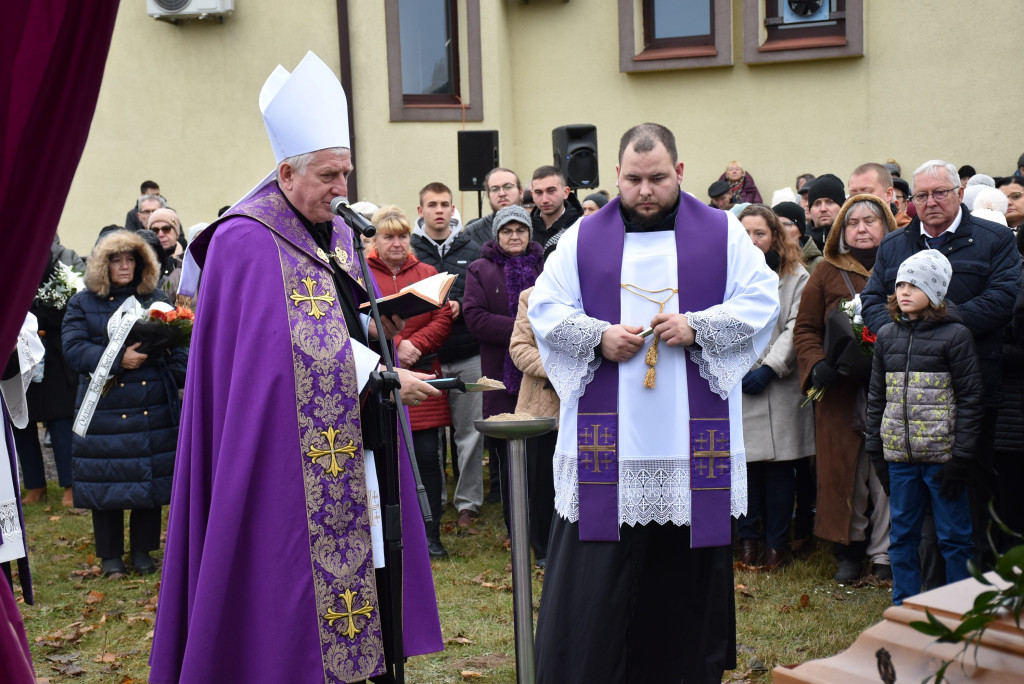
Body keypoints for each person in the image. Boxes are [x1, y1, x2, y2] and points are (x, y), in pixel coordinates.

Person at [149, 52, 442, 683]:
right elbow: (271, 352)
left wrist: (374, 326)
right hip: (278, 449)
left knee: (370, 560)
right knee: (282, 576)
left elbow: (329, 322)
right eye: (329, 175)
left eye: (346, 172)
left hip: (350, 435)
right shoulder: (243, 238)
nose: (342, 189)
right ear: (286, 171)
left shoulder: (333, 231)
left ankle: (363, 665)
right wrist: (380, 375)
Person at [529, 123, 779, 683]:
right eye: (634, 179)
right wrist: (597, 336)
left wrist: (699, 325)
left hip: (690, 441)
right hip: (606, 445)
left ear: (680, 173)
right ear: (617, 174)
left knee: (681, 574)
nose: (646, 190)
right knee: (600, 570)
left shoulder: (722, 232)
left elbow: (763, 298)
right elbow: (545, 309)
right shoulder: (583, 236)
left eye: (658, 178)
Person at [861, 160, 1021, 568]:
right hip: (909, 399)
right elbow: (873, 299)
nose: (930, 202)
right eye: (921, 196)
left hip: (972, 392)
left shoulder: (994, 239)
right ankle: (924, 595)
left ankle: (977, 590)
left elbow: (1005, 298)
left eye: (940, 193)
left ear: (958, 193)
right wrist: (896, 334)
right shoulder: (896, 245)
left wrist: (940, 323)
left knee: (971, 493)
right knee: (918, 507)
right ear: (910, 200)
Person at [62, 230, 187, 577]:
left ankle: (144, 552)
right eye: (116, 260)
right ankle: (111, 556)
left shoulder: (155, 298)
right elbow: (73, 348)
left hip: (150, 404)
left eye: (131, 259)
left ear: (142, 263)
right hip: (105, 404)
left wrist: (177, 369)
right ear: (103, 264)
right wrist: (118, 359)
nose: (124, 266)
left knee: (146, 478)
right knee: (107, 477)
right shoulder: (82, 303)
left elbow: (179, 345)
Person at [865, 250, 982, 604]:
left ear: (934, 292)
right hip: (900, 459)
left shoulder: (955, 336)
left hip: (941, 458)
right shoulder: (887, 335)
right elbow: (876, 398)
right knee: (901, 535)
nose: (904, 290)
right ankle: (903, 607)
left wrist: (961, 457)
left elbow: (971, 399)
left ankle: (959, 608)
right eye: (900, 282)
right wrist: (876, 448)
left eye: (914, 284)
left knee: (954, 536)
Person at [793, 194, 897, 584]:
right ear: (841, 230)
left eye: (871, 220)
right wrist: (816, 363)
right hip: (839, 393)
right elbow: (805, 328)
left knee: (884, 474)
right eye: (854, 223)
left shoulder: (903, 266)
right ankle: (849, 549)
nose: (862, 228)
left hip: (890, 388)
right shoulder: (826, 272)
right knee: (845, 472)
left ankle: (885, 553)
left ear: (886, 225)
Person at [367, 205, 453, 560]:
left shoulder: (427, 271)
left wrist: (416, 345)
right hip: (382, 374)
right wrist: (396, 345)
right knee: (390, 457)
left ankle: (431, 535)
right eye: (389, 236)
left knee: (429, 458)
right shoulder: (362, 272)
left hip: (422, 374)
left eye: (403, 236)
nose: (398, 243)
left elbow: (443, 315)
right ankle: (395, 533)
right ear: (375, 240)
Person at [736, 205, 814, 571]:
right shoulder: (727, 275)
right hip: (739, 382)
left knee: (781, 470)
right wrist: (739, 367)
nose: (752, 241)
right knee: (747, 469)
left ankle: (776, 547)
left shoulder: (796, 276)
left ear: (774, 237)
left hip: (780, 385)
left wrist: (769, 367)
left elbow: (799, 325)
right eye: (745, 233)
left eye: (760, 233)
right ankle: (748, 544)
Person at [410, 181, 487, 528]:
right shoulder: (409, 252)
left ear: (453, 209)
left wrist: (463, 305)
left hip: (468, 350)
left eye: (445, 204)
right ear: (420, 211)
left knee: (470, 431)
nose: (439, 210)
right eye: (432, 204)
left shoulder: (473, 248)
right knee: (432, 436)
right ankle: (433, 500)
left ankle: (468, 503)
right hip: (427, 358)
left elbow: (482, 297)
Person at [463, 204, 543, 535]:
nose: (514, 236)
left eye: (520, 230)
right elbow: (476, 319)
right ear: (497, 235)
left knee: (540, 457)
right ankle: (516, 528)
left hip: (539, 377)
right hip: (498, 377)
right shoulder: (480, 269)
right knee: (507, 459)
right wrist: (524, 329)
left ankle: (542, 529)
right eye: (507, 230)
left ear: (529, 234)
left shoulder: (545, 267)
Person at [14, 233, 84, 507]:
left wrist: (38, 321)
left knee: (61, 419)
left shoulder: (66, 259)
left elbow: (73, 305)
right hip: (19, 353)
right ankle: (35, 485)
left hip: (56, 352)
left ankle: (70, 486)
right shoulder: (11, 259)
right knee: (23, 419)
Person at [509, 285, 557, 568]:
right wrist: (558, 367)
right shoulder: (531, 296)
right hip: (541, 404)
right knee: (541, 484)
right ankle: (544, 550)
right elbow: (519, 348)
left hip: (588, 404)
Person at [530, 166, 583, 261]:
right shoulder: (524, 229)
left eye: (551, 191)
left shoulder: (580, 227)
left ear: (566, 192)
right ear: (532, 195)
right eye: (538, 192)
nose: (545, 199)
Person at [464, 167, 524, 246]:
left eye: (508, 187)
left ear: (521, 192)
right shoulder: (473, 233)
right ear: (488, 195)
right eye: (495, 189)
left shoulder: (538, 228)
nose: (502, 193)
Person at [773, 200, 823, 274]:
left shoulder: (818, 264)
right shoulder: (765, 261)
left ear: (800, 230)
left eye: (786, 224)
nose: (779, 230)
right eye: (775, 225)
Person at [146, 207, 183, 298]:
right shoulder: (143, 264)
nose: (161, 234)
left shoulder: (188, 260)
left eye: (166, 228)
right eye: (155, 230)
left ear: (176, 232)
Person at [804, 173, 846, 253]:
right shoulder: (800, 243)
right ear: (810, 210)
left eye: (830, 202)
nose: (823, 209)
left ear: (842, 207)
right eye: (817, 203)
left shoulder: (852, 242)